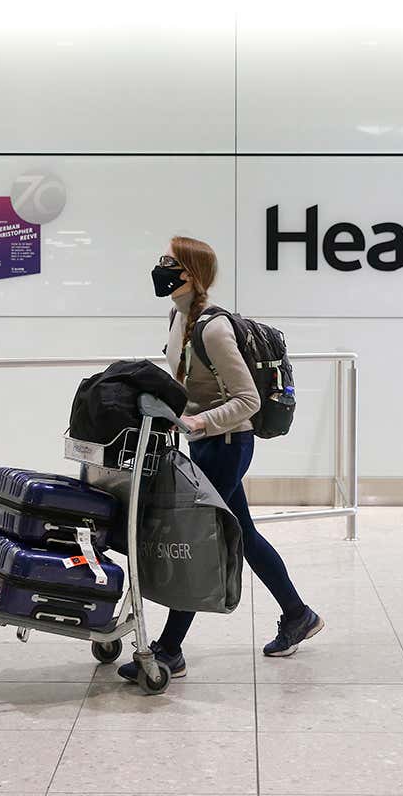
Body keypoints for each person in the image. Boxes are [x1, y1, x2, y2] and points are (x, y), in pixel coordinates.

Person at [118, 236, 325, 681]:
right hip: (207, 443)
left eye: (169, 262)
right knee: (244, 534)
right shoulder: (177, 315)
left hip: (228, 446)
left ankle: (170, 649)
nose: (160, 267)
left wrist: (198, 423)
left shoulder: (213, 328)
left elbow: (247, 399)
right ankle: (298, 614)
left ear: (190, 273)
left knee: (197, 537)